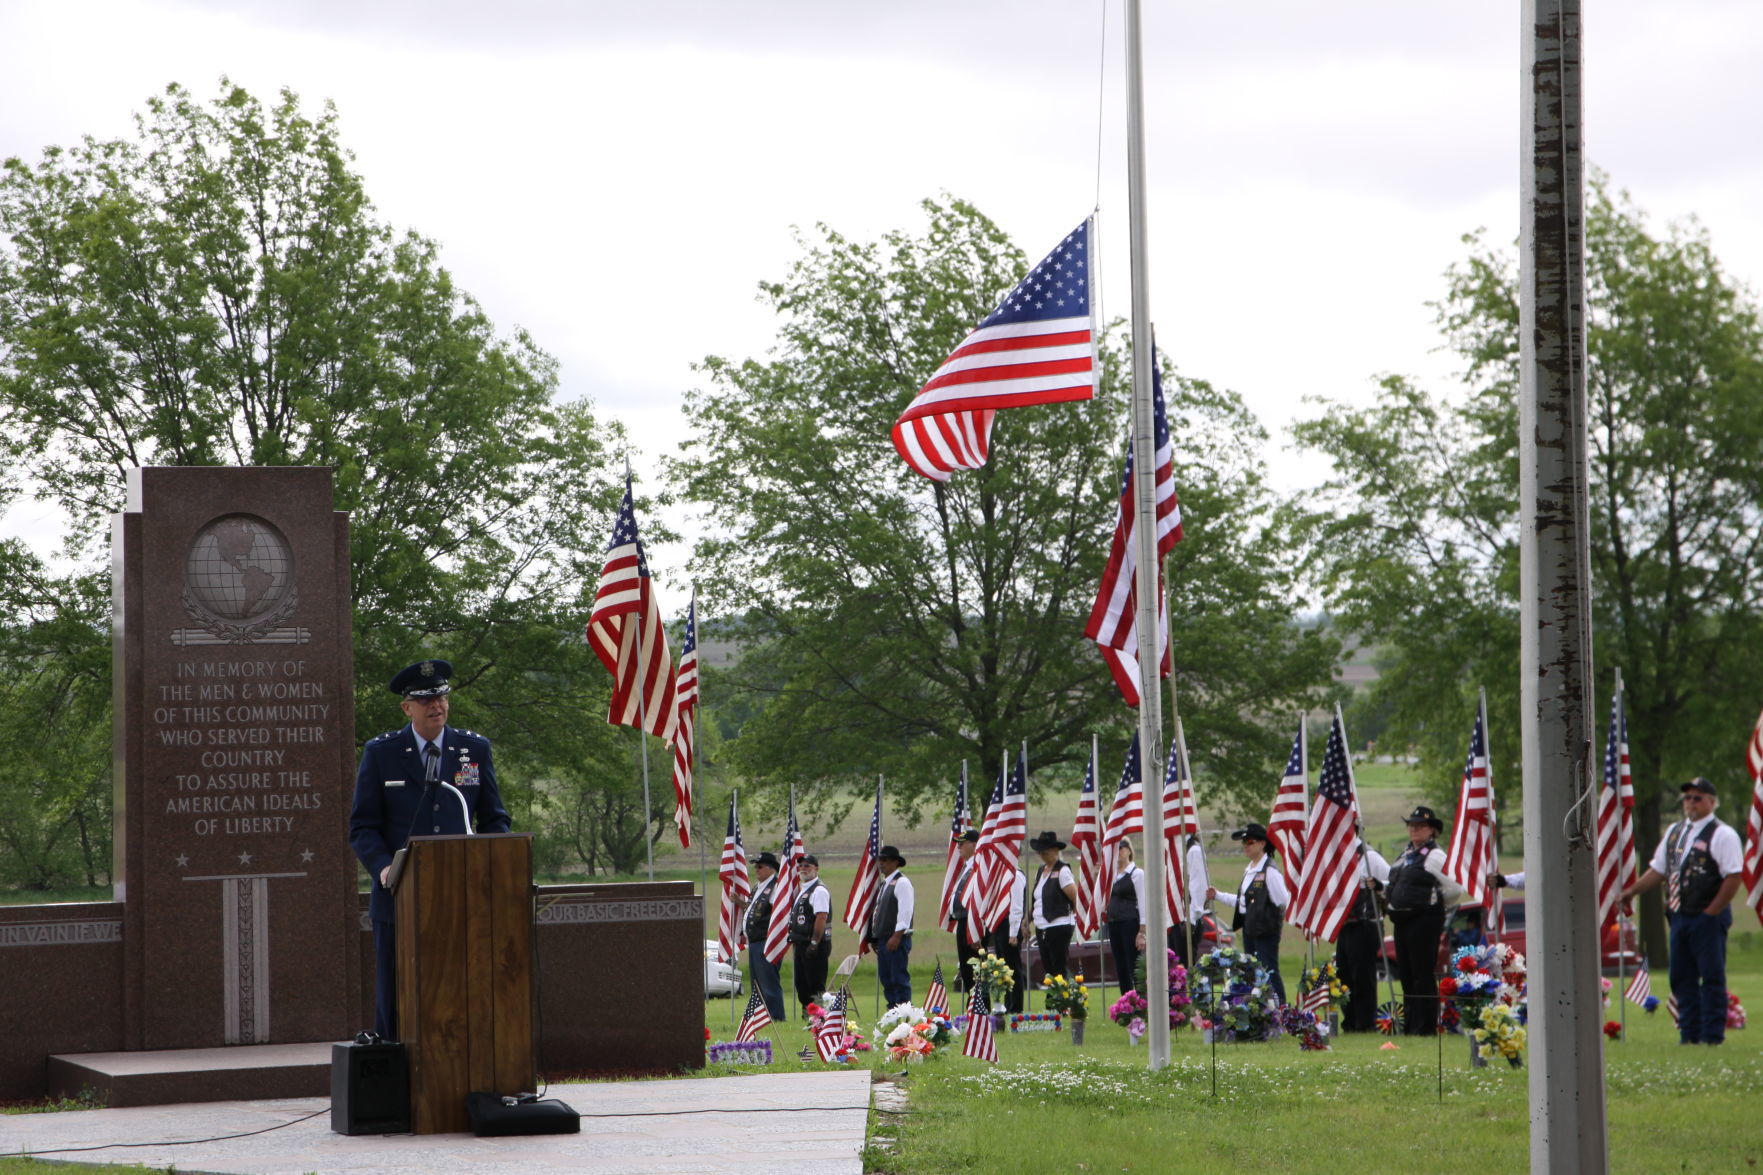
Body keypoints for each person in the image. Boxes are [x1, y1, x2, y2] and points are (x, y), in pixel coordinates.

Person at [348, 659, 510, 1041]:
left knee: (464, 992)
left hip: (464, 898)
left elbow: (495, 819)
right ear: (407, 708)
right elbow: (362, 826)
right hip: (399, 899)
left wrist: (493, 865)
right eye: (425, 700)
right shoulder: (381, 752)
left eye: (441, 697)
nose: (436, 705)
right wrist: (385, 868)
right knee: (397, 998)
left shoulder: (473, 749)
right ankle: (395, 1079)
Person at [1621, 777, 1744, 1045]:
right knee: (1681, 976)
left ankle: (1712, 1036)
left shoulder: (1722, 834)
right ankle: (1689, 1035)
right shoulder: (1675, 832)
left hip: (1708, 916)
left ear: (1712, 802)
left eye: (1697, 797)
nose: (1691, 802)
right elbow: (1659, 869)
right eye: (1687, 797)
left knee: (1711, 976)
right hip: (1679, 915)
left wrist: (1711, 912)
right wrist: (1632, 891)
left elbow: (1733, 877)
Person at [1386, 805, 1462, 1036]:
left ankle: (1425, 1026)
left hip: (1424, 920)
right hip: (1402, 920)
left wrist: (1434, 903)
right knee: (1407, 973)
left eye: (1420, 826)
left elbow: (1455, 887)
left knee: (1422, 973)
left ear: (1432, 831)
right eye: (1412, 825)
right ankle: (1411, 1023)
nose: (1414, 829)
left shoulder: (1436, 856)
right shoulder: (1405, 855)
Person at [1208, 822, 1289, 1004]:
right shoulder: (1250, 870)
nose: (1246, 846)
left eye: (1250, 842)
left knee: (1269, 970)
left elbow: (1283, 901)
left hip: (1266, 931)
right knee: (1253, 972)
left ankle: (1281, 1009)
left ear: (1262, 844)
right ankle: (1261, 1009)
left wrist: (1267, 915)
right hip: (1250, 930)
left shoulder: (1269, 871)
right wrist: (1218, 895)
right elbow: (1242, 902)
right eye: (1244, 843)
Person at [1338, 826, 1391, 1032]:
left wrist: (1379, 885)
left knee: (1363, 977)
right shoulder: (1340, 858)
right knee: (1345, 977)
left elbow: (1392, 881)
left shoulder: (1370, 858)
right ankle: (1350, 1022)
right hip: (1345, 925)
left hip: (1366, 923)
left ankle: (1365, 1023)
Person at [1024, 831, 1080, 984]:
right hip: (1042, 926)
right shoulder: (1040, 871)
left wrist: (1073, 916)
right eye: (1040, 851)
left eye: (1045, 851)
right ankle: (1055, 998)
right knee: (1048, 968)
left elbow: (1075, 897)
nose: (1042, 854)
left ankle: (1062, 1000)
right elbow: (1037, 900)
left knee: (1058, 967)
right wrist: (1027, 921)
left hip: (1059, 924)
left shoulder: (1063, 871)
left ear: (1055, 851)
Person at [870, 845, 915, 1007]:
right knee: (887, 979)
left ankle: (904, 1013)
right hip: (883, 940)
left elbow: (905, 912)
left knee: (898, 979)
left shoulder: (901, 882)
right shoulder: (885, 884)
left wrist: (897, 936)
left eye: (885, 860)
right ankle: (893, 1011)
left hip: (896, 939)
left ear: (895, 862)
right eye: (880, 860)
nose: (881, 863)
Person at [744, 851, 787, 1022]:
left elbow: (778, 913)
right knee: (757, 983)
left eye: (760, 867)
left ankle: (776, 1016)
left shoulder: (774, 887)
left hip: (766, 941)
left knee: (768, 982)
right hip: (754, 941)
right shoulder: (758, 887)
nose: (756, 870)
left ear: (770, 869)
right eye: (756, 867)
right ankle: (761, 1017)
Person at [789, 853, 832, 1010]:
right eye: (801, 866)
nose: (803, 868)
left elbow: (821, 917)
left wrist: (814, 943)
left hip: (814, 944)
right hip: (801, 944)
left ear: (816, 868)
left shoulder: (819, 890)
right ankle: (808, 1015)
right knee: (802, 984)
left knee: (814, 985)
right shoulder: (804, 889)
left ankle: (819, 1018)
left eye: (807, 865)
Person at [1106, 840, 1149, 993]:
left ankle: (1141, 1000)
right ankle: (1126, 1001)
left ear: (1129, 851)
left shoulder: (1136, 874)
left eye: (1121, 848)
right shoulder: (1112, 875)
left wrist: (1142, 931)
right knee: (1120, 966)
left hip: (1130, 922)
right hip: (1114, 923)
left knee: (1134, 965)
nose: (1118, 852)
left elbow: (1143, 902)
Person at [989, 856, 1029, 1014]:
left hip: (1010, 925)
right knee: (1003, 969)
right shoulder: (1004, 876)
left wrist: (1013, 932)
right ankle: (1007, 1003)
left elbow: (1017, 906)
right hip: (1001, 924)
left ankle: (1016, 1006)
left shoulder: (1016, 876)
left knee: (1013, 968)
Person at [1169, 831, 1213, 967]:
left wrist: (1191, 919)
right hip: (1174, 915)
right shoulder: (1174, 848)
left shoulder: (1193, 850)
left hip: (1187, 918)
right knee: (1174, 968)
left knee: (1185, 968)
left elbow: (1199, 886)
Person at [947, 829, 983, 992]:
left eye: (962, 844)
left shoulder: (977, 866)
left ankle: (979, 1004)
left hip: (971, 921)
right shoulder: (967, 866)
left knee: (973, 966)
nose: (958, 847)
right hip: (962, 920)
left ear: (974, 845)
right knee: (965, 966)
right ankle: (972, 1004)